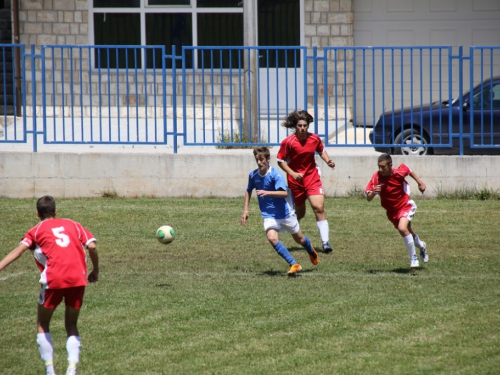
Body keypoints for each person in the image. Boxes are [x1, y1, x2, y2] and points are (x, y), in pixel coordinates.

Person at [0, 196, 99, 375]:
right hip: (78, 279)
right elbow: (91, 246)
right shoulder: (74, 225)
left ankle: (50, 370)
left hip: (54, 279)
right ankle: (71, 369)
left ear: (37, 212)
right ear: (56, 211)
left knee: (43, 322)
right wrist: (95, 270)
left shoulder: (35, 231)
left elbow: (19, 250)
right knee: (71, 324)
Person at [241, 146, 319, 275]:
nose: (259, 162)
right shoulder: (253, 175)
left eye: (262, 159)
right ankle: (294, 264)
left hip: (285, 213)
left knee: (300, 240)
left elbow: (283, 193)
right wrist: (245, 210)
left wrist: (267, 192)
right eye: (257, 160)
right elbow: (248, 190)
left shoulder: (275, 174)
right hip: (269, 215)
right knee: (272, 238)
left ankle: (310, 249)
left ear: (268, 159)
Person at [277, 110, 336, 253]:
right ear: (295, 126)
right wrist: (292, 173)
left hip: (312, 178)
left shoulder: (314, 139)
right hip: (295, 181)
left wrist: (328, 161)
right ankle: (288, 226)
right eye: (300, 126)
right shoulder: (288, 142)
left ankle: (325, 242)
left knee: (318, 207)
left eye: (305, 125)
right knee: (300, 213)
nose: (302, 128)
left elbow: (321, 150)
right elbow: (280, 161)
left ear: (308, 126)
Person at [365, 154, 428, 268]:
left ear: (390, 165)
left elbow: (409, 170)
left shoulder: (399, 172)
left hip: (405, 205)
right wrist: (374, 193)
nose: (380, 169)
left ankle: (413, 258)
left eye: (383, 167)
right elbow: (368, 198)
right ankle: (421, 245)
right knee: (408, 231)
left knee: (402, 228)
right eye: (379, 166)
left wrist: (420, 182)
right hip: (391, 211)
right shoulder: (377, 177)